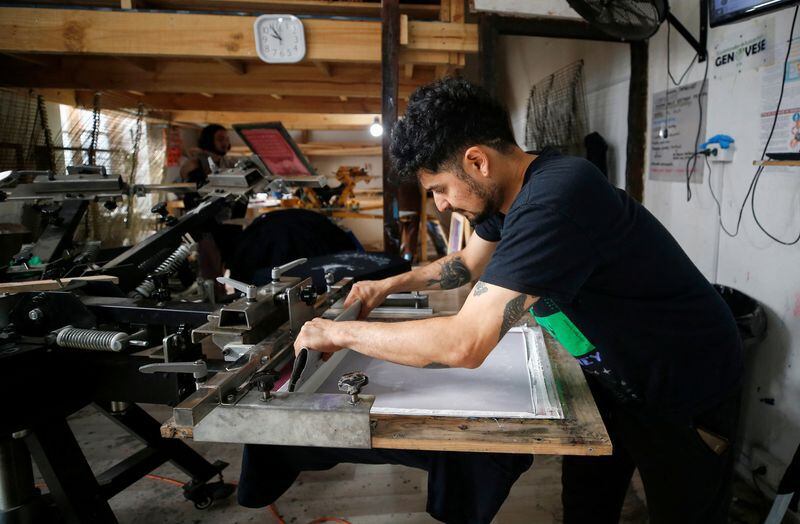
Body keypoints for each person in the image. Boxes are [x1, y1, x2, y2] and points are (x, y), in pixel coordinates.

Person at [290, 78, 743, 523]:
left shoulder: (555, 198)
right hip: (611, 380)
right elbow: (466, 264)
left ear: (477, 161)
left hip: (683, 380)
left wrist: (336, 331)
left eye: (441, 189)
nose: (442, 206)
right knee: (587, 504)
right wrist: (385, 285)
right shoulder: (511, 198)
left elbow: (464, 343)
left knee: (683, 509)